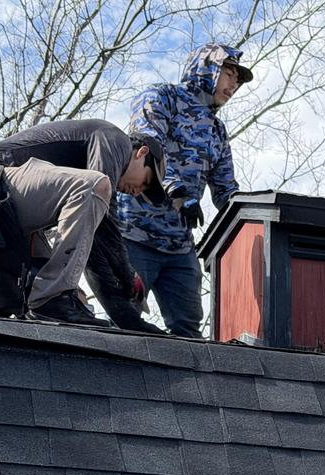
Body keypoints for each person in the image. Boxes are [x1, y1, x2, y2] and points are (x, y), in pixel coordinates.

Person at [120, 43, 253, 338]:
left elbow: (226, 190)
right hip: (133, 234)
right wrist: (177, 189)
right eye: (228, 73)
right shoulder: (161, 97)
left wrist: (252, 222)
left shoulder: (217, 131)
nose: (234, 84)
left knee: (189, 330)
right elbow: (147, 143)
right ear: (206, 69)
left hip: (179, 246)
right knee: (125, 321)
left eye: (238, 80)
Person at [0, 119, 166, 327]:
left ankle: (41, 306)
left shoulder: (80, 205)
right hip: (0, 181)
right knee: (95, 186)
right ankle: (51, 300)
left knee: (39, 285)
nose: (138, 192)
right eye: (146, 182)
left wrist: (129, 320)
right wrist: (127, 274)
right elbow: (102, 219)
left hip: (7, 208)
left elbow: (91, 244)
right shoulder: (116, 139)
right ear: (142, 152)